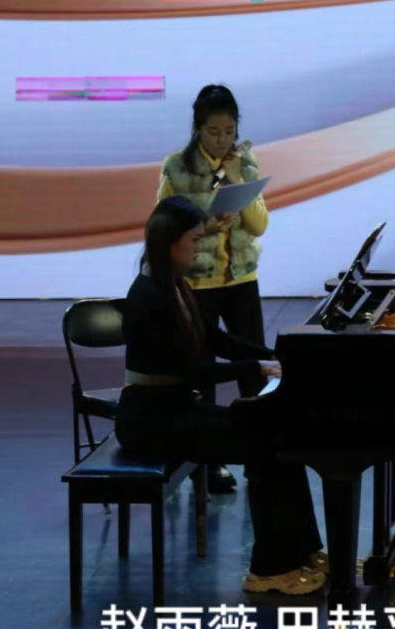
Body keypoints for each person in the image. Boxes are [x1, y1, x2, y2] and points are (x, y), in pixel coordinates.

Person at [117, 199, 324, 598]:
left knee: (277, 435)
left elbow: (216, 340)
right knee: (264, 444)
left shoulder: (173, 284)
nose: (200, 248)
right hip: (149, 422)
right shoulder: (149, 296)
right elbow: (191, 371)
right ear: (170, 241)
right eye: (194, 240)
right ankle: (268, 570)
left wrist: (272, 356)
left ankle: (303, 551)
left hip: (173, 409)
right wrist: (256, 368)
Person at [155, 84, 272, 486]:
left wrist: (237, 180)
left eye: (229, 131)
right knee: (202, 371)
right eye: (213, 131)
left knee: (253, 366)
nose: (222, 140)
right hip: (197, 282)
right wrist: (205, 225)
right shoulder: (176, 166)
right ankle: (207, 463)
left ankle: (260, 452)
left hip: (241, 278)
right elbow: (163, 225)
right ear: (197, 128)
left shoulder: (244, 162)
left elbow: (259, 225)